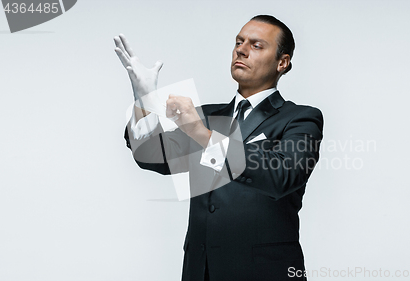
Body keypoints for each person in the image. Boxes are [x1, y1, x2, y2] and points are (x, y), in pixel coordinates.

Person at [114, 15, 323, 281]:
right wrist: (144, 99)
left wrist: (201, 134)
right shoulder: (205, 116)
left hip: (266, 272)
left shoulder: (300, 118)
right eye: (239, 42)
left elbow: (282, 175)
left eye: (257, 45)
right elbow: (152, 157)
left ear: (282, 62)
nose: (242, 49)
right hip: (201, 271)